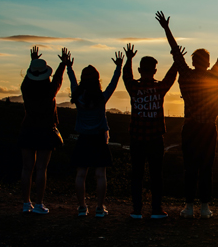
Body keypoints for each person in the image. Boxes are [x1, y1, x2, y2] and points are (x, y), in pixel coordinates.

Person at [156, 11, 218, 219]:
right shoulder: (213, 75)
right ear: (207, 62)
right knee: (206, 168)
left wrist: (166, 28)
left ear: (194, 61)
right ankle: (205, 207)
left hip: (190, 128)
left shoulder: (186, 75)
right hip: (208, 129)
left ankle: (189, 206)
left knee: (190, 168)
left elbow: (175, 51)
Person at [123, 43, 186, 219]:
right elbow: (171, 77)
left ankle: (136, 210)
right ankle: (156, 209)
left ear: (140, 69)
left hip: (136, 138)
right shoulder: (159, 88)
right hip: (155, 138)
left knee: (137, 174)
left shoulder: (134, 88)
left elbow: (126, 76)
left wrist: (128, 59)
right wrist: (176, 60)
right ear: (155, 71)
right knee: (156, 175)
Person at [67, 51, 124, 218]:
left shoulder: (78, 97)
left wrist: (69, 67)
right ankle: (99, 208)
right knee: (100, 175)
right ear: (97, 80)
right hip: (99, 139)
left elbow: (72, 81)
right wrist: (118, 67)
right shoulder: (101, 98)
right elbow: (113, 84)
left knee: (81, 174)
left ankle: (82, 207)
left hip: (83, 138)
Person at [19, 46, 69, 214]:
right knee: (41, 168)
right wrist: (63, 63)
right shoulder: (49, 91)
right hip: (45, 130)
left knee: (27, 168)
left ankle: (26, 203)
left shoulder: (26, 88)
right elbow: (58, 79)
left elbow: (30, 77)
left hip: (28, 128)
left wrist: (33, 61)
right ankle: (39, 204)